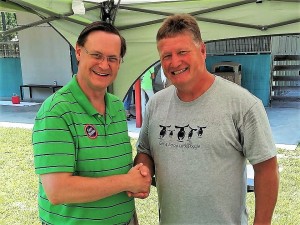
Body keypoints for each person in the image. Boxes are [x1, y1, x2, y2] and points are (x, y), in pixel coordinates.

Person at [133, 14, 279, 224]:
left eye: (182, 52)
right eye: (166, 56)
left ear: (202, 51)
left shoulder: (243, 104)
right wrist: (143, 168)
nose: (175, 62)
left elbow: (266, 169)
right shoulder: (156, 104)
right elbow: (145, 151)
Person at [32, 21, 151, 225]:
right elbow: (58, 190)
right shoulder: (56, 111)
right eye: (96, 55)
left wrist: (140, 174)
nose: (104, 65)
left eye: (112, 58)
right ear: (79, 52)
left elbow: (112, 167)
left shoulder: (115, 106)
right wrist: (127, 181)